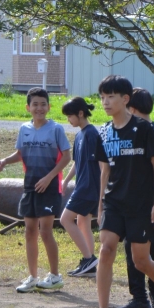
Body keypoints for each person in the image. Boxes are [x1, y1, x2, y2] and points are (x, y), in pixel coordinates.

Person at [81, 75, 154, 308]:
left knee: (140, 261)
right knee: (106, 250)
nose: (105, 102)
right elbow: (105, 170)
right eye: (102, 97)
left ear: (125, 99)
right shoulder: (103, 132)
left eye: (110, 97)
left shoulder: (144, 129)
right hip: (114, 202)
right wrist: (100, 204)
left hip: (141, 205)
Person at [0, 87, 71, 293]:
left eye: (43, 104)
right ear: (28, 107)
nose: (39, 108)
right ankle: (32, 277)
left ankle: (54, 276)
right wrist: (4, 161)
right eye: (35, 104)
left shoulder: (56, 129)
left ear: (49, 107)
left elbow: (66, 157)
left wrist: (49, 178)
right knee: (29, 231)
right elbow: (20, 154)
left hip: (50, 187)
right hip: (30, 186)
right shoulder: (24, 129)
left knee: (45, 231)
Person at [116, 88, 154, 308]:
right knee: (132, 250)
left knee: (151, 254)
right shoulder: (137, 131)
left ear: (132, 108)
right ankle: (139, 298)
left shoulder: (152, 132)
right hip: (134, 206)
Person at [60, 97, 101, 277]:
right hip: (82, 186)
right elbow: (77, 163)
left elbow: (101, 164)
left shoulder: (92, 134)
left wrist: (103, 190)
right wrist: (66, 180)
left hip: (88, 188)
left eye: (70, 116)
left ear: (81, 113)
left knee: (65, 219)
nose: (68, 120)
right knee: (82, 222)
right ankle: (90, 266)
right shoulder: (79, 135)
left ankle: (88, 258)